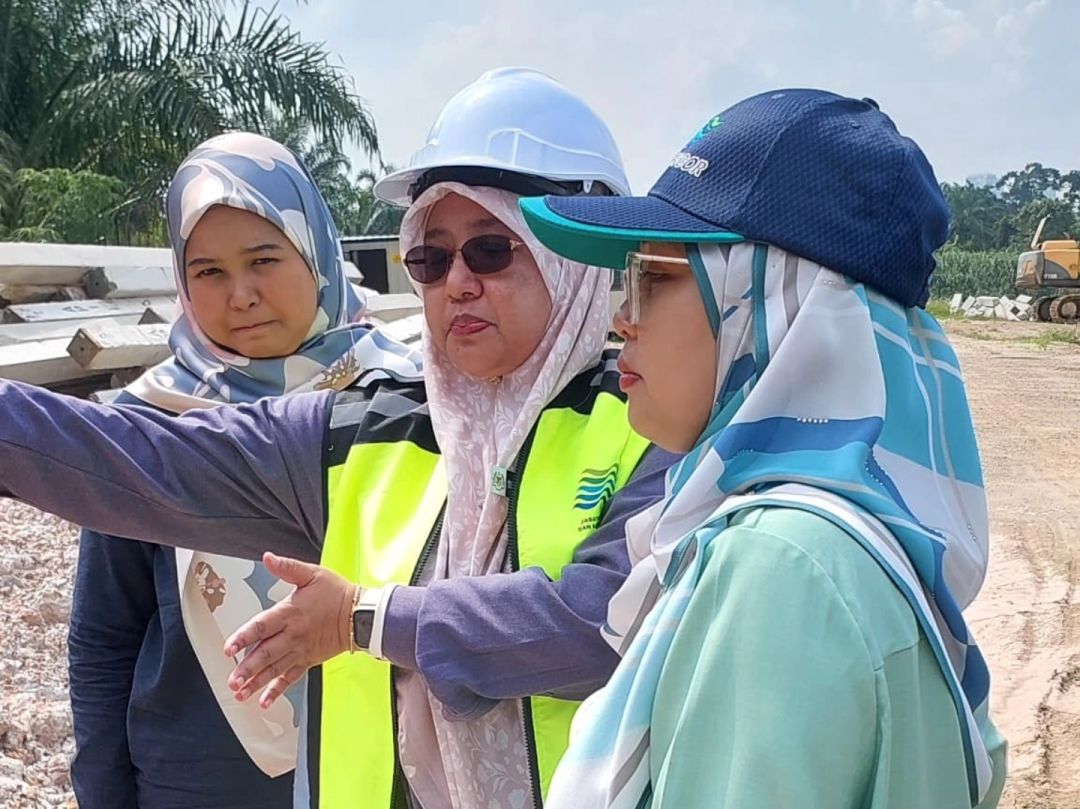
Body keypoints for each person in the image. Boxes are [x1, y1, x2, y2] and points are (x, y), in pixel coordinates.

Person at [0, 67, 674, 809]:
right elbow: (142, 458)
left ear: (576, 255)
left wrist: (368, 617)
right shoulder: (365, 428)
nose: (457, 282)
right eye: (431, 255)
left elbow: (600, 621)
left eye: (491, 249)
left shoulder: (654, 420)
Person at [517, 88, 1008, 808]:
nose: (623, 317)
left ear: (771, 300)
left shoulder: (781, 565)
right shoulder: (855, 540)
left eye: (652, 275)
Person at [66, 131, 422, 809]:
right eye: (209, 272)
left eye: (264, 259)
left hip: (379, 772)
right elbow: (105, 633)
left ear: (314, 251)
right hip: (195, 783)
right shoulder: (151, 423)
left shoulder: (399, 401)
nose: (241, 295)